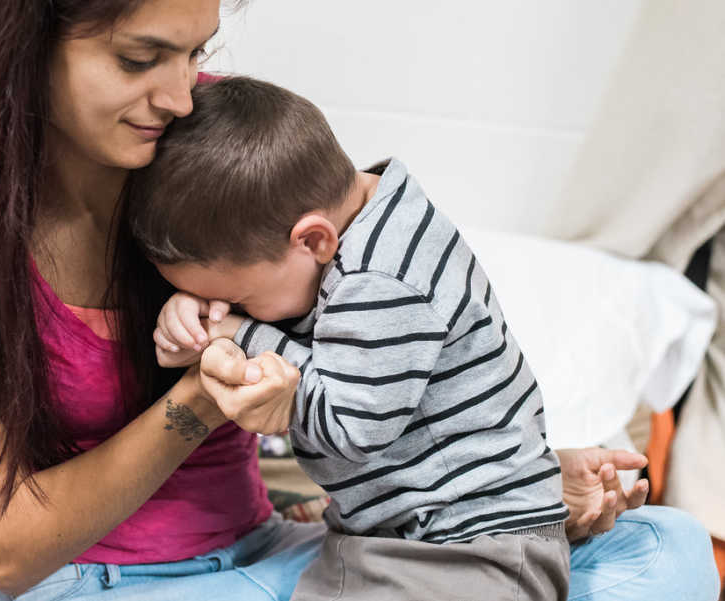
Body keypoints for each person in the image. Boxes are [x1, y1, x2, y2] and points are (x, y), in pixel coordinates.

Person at [0, 1, 719, 600]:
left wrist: (498, 478)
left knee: (671, 551)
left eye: (194, 53)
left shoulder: (191, 154)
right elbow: (4, 549)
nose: (179, 94)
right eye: (140, 59)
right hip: (109, 579)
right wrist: (202, 396)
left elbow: (356, 340)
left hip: (276, 552)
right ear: (24, 44)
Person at [129, 76, 570, 600]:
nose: (232, 311)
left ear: (314, 239)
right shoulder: (368, 218)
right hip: (396, 535)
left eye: (240, 297)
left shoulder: (381, 281)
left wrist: (239, 333)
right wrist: (198, 309)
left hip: (471, 544)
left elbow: (351, 428)